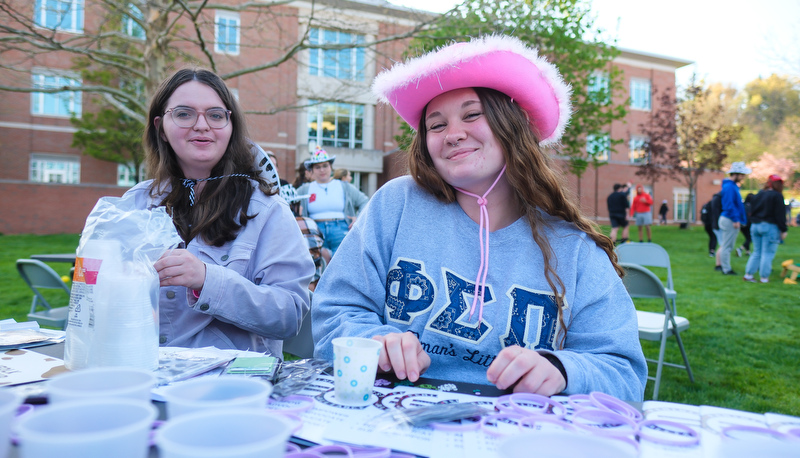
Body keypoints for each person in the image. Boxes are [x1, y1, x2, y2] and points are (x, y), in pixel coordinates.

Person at [312, 35, 646, 401]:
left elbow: (624, 372)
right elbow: (334, 311)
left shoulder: (573, 247)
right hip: (393, 417)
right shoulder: (396, 204)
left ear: (511, 128)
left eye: (472, 115)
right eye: (436, 126)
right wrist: (372, 342)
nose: (453, 134)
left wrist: (562, 370)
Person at [124, 67, 315, 355]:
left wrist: (207, 279)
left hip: (228, 388)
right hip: (140, 376)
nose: (202, 125)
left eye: (215, 115)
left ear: (230, 127)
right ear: (161, 127)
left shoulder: (266, 209)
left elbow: (289, 315)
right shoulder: (135, 204)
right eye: (184, 114)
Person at [296, 147, 370, 255]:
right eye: (317, 167)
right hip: (315, 231)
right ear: (312, 170)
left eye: (325, 166)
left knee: (343, 265)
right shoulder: (304, 189)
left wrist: (359, 218)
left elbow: (364, 201)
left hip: (341, 229)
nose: (322, 170)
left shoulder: (344, 186)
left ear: (331, 167)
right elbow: (288, 203)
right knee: (319, 267)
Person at [743, 175, 788, 283]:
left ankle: (748, 275)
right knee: (767, 253)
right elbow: (780, 214)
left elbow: (751, 210)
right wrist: (783, 229)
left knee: (757, 252)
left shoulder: (759, 194)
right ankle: (764, 278)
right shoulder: (777, 196)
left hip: (755, 226)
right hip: (769, 226)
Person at [718, 161, 751, 275]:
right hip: (730, 219)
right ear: (735, 174)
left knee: (727, 245)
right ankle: (726, 269)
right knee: (727, 246)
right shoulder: (729, 187)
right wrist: (736, 219)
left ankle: (725, 267)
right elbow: (730, 205)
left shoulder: (732, 186)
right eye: (742, 175)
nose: (743, 177)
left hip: (730, 218)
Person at [736, 193, 755, 257]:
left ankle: (748, 251)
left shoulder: (743, 205)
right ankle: (740, 249)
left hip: (742, 225)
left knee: (747, 237)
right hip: (748, 224)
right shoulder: (752, 207)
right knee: (750, 238)